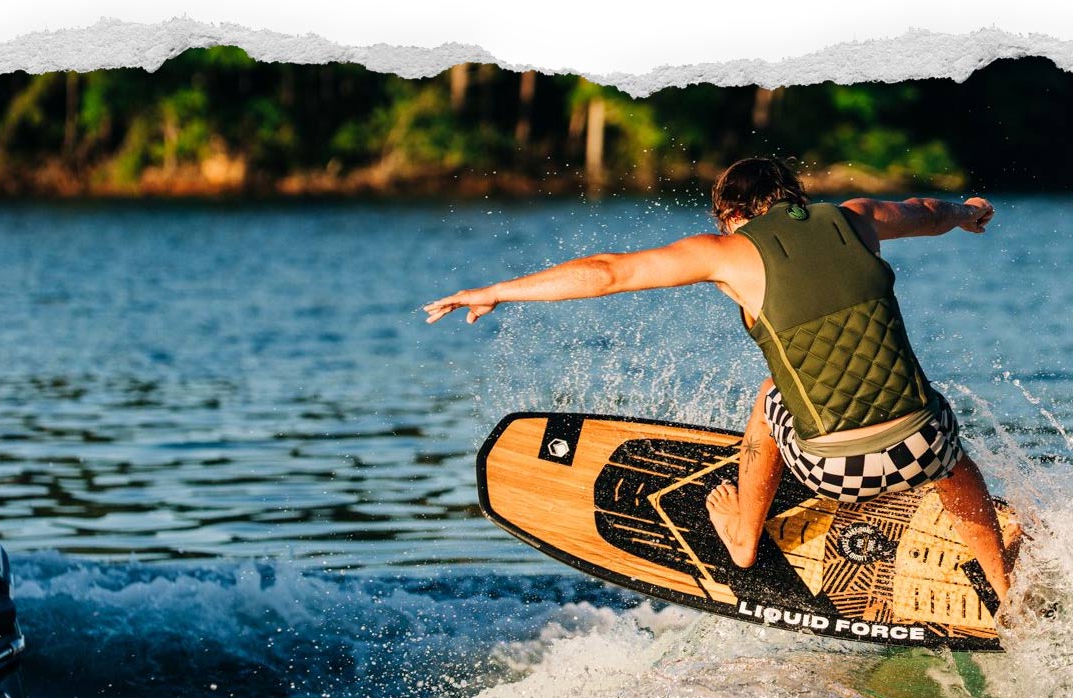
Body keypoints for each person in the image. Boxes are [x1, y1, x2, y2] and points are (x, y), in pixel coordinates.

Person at [423, 156, 1011, 604]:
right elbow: (928, 212)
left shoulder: (726, 251)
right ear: (794, 198)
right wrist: (968, 212)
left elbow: (605, 274)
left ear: (732, 214)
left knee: (768, 396)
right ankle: (1003, 587)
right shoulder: (857, 218)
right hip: (925, 450)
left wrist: (497, 290)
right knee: (948, 442)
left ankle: (743, 537)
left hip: (835, 469)